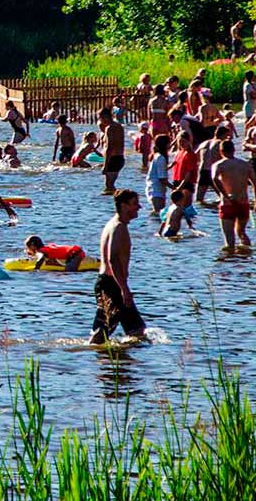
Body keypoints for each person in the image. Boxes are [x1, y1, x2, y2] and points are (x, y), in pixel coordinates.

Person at [89, 189, 145, 345]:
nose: (139, 207)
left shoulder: (116, 225)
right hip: (111, 284)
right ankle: (88, 356)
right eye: (134, 204)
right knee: (102, 333)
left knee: (137, 330)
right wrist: (124, 289)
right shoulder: (118, 227)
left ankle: (126, 363)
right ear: (123, 206)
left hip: (113, 283)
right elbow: (112, 259)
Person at [210, 139, 256, 247]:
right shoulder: (245, 165)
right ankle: (248, 257)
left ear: (221, 151)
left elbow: (214, 179)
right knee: (242, 233)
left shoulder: (219, 165)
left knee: (229, 239)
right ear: (234, 150)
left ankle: (231, 260)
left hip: (227, 203)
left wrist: (224, 195)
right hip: (243, 202)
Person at [196, 127, 229, 203]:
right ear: (223, 135)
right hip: (214, 171)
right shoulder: (220, 143)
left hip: (203, 171)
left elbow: (196, 155)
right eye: (227, 136)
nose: (227, 138)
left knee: (199, 199)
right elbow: (225, 158)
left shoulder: (204, 143)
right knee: (224, 197)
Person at [99, 107, 126, 193]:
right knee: (110, 186)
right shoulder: (119, 127)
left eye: (100, 118)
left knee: (109, 186)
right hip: (120, 158)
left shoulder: (109, 128)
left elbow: (109, 147)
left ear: (105, 117)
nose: (100, 120)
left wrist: (105, 165)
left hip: (113, 159)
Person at [145, 134, 172, 214]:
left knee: (158, 212)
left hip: (152, 188)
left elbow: (159, 171)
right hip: (156, 190)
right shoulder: (161, 158)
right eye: (169, 143)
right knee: (159, 213)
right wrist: (175, 188)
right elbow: (162, 179)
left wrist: (170, 166)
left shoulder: (155, 155)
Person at [170, 132, 198, 206]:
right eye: (180, 141)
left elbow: (189, 173)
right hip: (176, 182)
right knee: (175, 208)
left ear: (188, 141)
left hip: (186, 184)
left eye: (184, 141)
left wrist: (180, 187)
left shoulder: (191, 155)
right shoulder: (178, 153)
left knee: (185, 208)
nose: (182, 143)